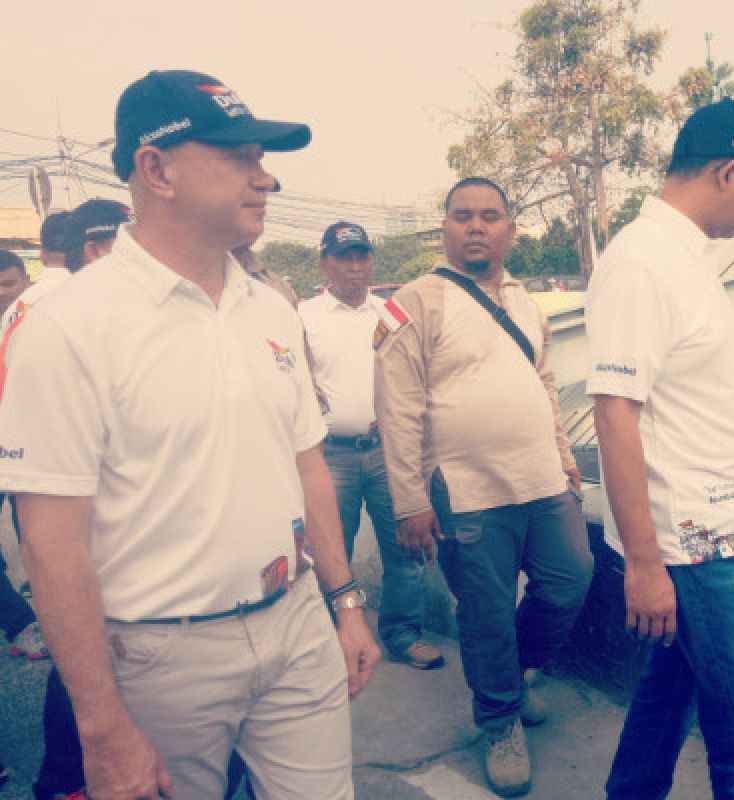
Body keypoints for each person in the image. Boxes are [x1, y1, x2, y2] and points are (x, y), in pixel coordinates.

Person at [0, 69, 380, 800]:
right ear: (157, 168)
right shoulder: (69, 328)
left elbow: (307, 468)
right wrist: (102, 724)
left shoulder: (268, 307)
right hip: (159, 656)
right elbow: (50, 545)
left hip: (296, 622)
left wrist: (345, 603)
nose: (264, 179)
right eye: (238, 157)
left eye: (261, 161)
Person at [585, 97, 734, 800]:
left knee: (670, 695)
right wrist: (645, 564)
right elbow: (614, 414)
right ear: (727, 170)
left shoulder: (679, 258)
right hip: (693, 541)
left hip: (711, 532)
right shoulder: (643, 264)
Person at [375, 176, 593, 797]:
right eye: (463, 215)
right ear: (444, 227)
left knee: (570, 579)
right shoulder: (416, 301)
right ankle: (499, 720)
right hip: (465, 488)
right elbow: (397, 406)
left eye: (490, 216)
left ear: (509, 230)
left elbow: (545, 382)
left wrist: (564, 452)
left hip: (542, 477)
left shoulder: (526, 300)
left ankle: (512, 674)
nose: (477, 225)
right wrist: (411, 499)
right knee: (487, 609)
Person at [20, 199, 134, 800]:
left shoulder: (48, 306)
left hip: (62, 485)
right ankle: (67, 779)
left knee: (89, 635)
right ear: (94, 248)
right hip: (69, 491)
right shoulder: (57, 309)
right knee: (84, 634)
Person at [300, 222, 442, 669]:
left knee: (406, 546)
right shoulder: (303, 316)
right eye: (344, 257)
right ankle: (330, 639)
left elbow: (419, 374)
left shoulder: (391, 314)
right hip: (330, 454)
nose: (355, 267)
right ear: (325, 263)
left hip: (388, 450)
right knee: (329, 549)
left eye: (362, 256)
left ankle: (402, 634)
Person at [0, 249, 44, 659]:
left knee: (41, 540)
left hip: (29, 451)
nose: (2, 294)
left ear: (26, 281)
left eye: (9, 284)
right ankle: (22, 624)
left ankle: (46, 625)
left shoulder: (37, 321)